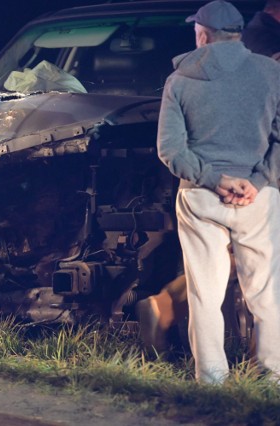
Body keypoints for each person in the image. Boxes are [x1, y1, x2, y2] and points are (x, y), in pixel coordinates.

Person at [156, 0, 280, 384]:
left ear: (203, 35)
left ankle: (211, 379)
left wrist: (215, 179)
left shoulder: (179, 80)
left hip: (201, 197)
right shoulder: (271, 72)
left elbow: (170, 150)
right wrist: (257, 181)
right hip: (258, 198)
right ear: (238, 34)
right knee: (267, 294)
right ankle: (273, 377)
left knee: (204, 295)